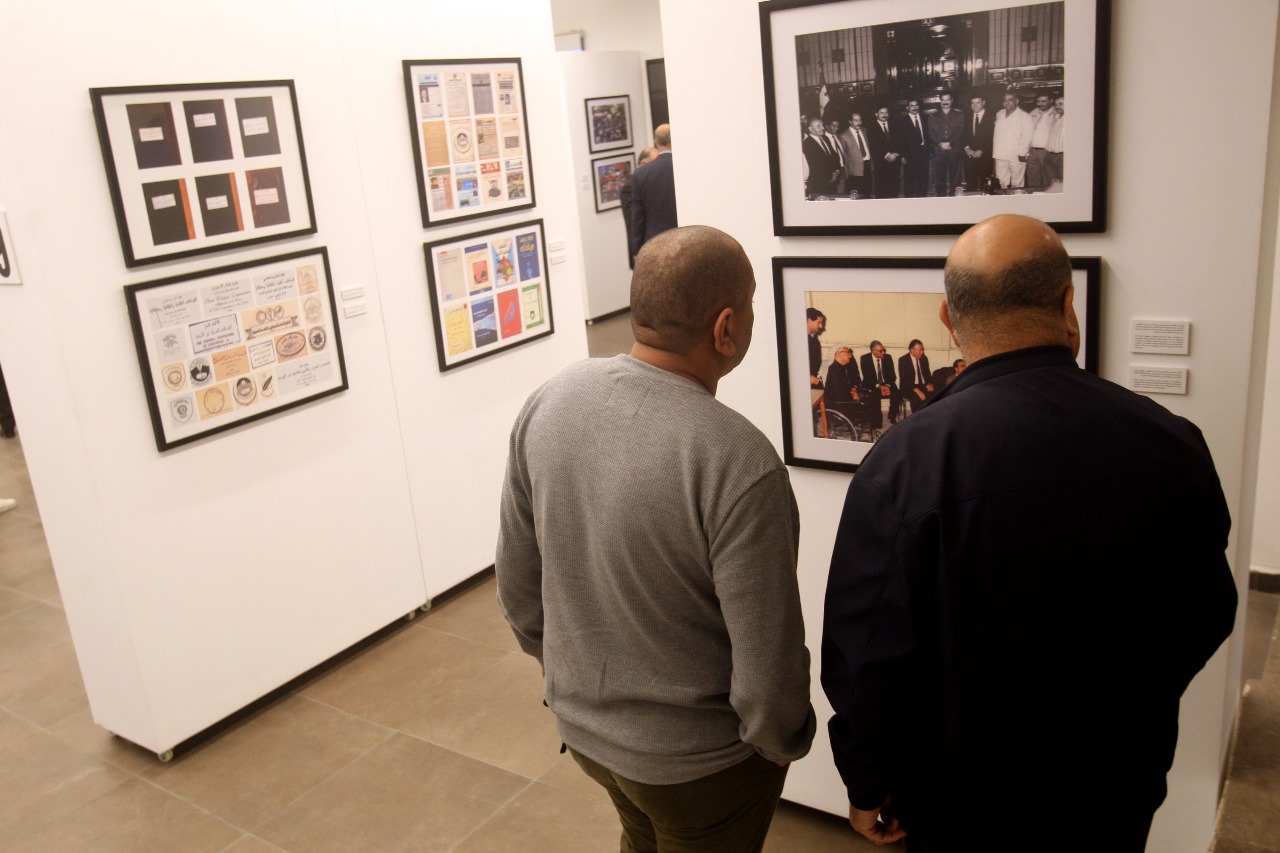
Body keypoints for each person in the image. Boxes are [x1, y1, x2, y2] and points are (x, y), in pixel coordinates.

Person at [822, 214, 1237, 851]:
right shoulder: (1171, 442)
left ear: (947, 318)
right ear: (1069, 305)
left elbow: (869, 655)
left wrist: (866, 782)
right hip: (1117, 782)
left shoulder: (908, 460)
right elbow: (1207, 612)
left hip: (963, 798)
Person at [498, 225, 816, 853]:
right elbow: (767, 661)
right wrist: (777, 746)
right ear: (726, 328)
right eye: (751, 306)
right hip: (702, 767)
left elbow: (517, 586)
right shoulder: (737, 460)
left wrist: (569, 681)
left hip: (586, 737)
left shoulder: (549, 402)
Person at [628, 125, 677, 260]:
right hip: (686, 237)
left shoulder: (641, 174)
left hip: (654, 243)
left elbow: (638, 216)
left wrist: (636, 250)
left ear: (656, 143)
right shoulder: (684, 167)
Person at [620, 147, 658, 269]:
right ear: (643, 164)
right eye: (655, 162)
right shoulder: (629, 188)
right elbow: (633, 222)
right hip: (644, 251)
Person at [992, 92, 1034, 189]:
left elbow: (1027, 136)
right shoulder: (999, 113)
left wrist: (1022, 153)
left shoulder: (1024, 116)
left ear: (1017, 101)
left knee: (1017, 182)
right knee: (1001, 181)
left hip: (1016, 155)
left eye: (1010, 100)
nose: (1007, 102)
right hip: (1000, 154)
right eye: (1005, 100)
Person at [928, 93, 966, 197]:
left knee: (955, 175)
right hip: (939, 149)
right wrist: (941, 143)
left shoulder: (959, 114)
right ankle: (941, 196)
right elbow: (931, 132)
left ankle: (953, 196)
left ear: (952, 100)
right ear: (940, 101)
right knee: (939, 175)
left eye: (947, 99)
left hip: (954, 148)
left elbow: (960, 131)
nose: (945, 102)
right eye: (943, 100)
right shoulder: (933, 115)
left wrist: (950, 143)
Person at [859, 340, 899, 428]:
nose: (883, 352)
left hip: (886, 383)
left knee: (897, 394)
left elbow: (892, 376)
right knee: (874, 397)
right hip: (872, 383)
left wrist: (887, 386)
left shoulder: (888, 357)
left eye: (883, 350)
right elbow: (867, 377)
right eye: (881, 351)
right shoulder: (865, 359)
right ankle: (876, 422)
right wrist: (879, 386)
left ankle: (892, 415)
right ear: (873, 351)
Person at [823, 346, 864, 432]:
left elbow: (845, 386)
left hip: (842, 399)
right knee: (863, 402)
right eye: (848, 353)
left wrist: (853, 390)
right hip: (838, 404)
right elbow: (839, 394)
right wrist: (853, 395)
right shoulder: (833, 370)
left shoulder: (839, 367)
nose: (850, 356)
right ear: (839, 354)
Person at [802, 116, 843, 200]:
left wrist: (836, 171)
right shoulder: (806, 144)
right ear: (810, 129)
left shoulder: (825, 138)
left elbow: (834, 156)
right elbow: (814, 166)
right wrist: (830, 177)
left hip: (833, 181)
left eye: (822, 125)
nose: (822, 128)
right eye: (818, 126)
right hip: (820, 184)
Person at [897, 99, 931, 198]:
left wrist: (929, 151)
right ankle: (910, 202)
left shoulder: (926, 118)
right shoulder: (902, 121)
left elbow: (929, 135)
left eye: (916, 105)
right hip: (909, 155)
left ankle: (922, 200)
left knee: (923, 180)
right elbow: (899, 140)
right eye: (912, 105)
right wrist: (902, 155)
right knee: (910, 181)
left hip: (924, 154)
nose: (915, 107)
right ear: (907, 108)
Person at [866, 106, 902, 198]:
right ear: (876, 114)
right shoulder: (870, 127)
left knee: (894, 189)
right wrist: (886, 155)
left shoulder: (895, 124)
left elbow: (901, 141)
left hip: (895, 163)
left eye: (886, 112)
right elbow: (873, 145)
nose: (884, 115)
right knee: (882, 190)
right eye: (881, 113)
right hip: (881, 164)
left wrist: (896, 154)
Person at [962, 95, 995, 191]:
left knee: (985, 184)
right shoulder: (966, 116)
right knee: (970, 184)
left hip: (985, 155)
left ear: (983, 102)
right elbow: (962, 134)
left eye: (978, 102)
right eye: (972, 103)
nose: (975, 105)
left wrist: (981, 150)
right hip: (969, 156)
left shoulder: (992, 116)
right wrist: (967, 148)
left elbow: (992, 136)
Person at [839, 113, 873, 198]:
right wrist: (846, 172)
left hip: (867, 165)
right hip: (854, 170)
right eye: (856, 120)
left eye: (860, 120)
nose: (859, 122)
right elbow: (844, 156)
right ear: (850, 121)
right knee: (856, 193)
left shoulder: (864, 130)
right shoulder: (844, 136)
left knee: (867, 191)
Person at [897, 338, 933, 414]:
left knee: (935, 394)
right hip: (908, 386)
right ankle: (917, 418)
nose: (922, 352)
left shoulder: (924, 358)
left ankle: (928, 416)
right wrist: (917, 390)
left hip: (922, 385)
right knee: (916, 398)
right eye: (920, 350)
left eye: (922, 350)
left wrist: (929, 384)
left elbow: (927, 374)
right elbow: (904, 379)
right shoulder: (903, 360)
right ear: (912, 350)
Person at [1026, 93, 1055, 188]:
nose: (1040, 104)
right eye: (1038, 101)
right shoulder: (1033, 112)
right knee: (1032, 178)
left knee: (1049, 178)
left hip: (1047, 152)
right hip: (1032, 151)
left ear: (1051, 101)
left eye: (1043, 101)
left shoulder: (1056, 113)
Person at [1045, 96, 1066, 186]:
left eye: (1060, 104)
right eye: (1056, 104)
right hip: (1049, 155)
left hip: (1062, 156)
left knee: (1064, 183)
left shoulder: (1073, 120)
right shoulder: (1056, 118)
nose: (1057, 106)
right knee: (1053, 183)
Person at [807, 307, 827, 388]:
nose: (821, 326)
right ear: (809, 320)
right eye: (819, 323)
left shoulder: (814, 339)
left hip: (814, 380)